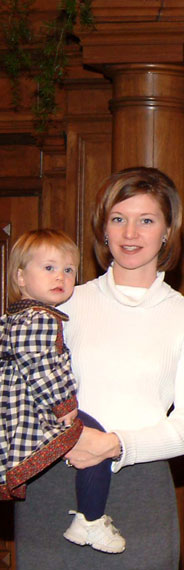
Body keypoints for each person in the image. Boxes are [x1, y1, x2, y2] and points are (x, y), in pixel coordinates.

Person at [14, 167, 184, 570]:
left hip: (141, 489)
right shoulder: (61, 307)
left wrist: (112, 445)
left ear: (167, 231)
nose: (130, 233)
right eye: (118, 219)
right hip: (52, 486)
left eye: (146, 220)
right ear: (102, 229)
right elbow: (20, 387)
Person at [0, 230, 107, 546]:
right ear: (20, 276)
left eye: (68, 269)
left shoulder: (15, 316)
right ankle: (90, 519)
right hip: (36, 411)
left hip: (18, 410)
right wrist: (64, 404)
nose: (60, 276)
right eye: (48, 268)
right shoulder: (41, 319)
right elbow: (42, 367)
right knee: (97, 442)